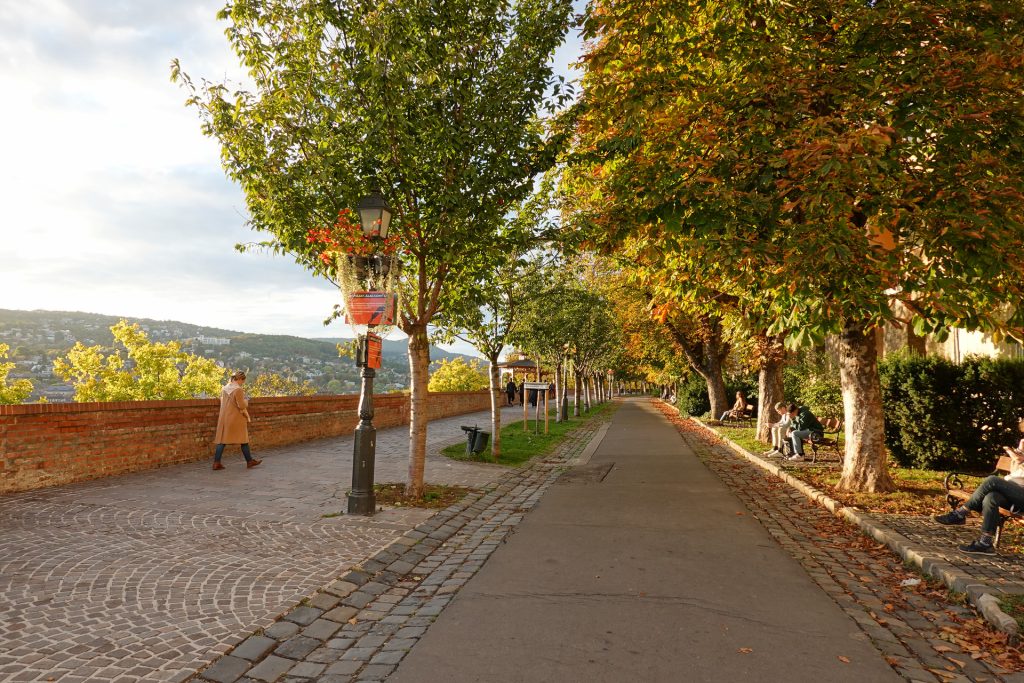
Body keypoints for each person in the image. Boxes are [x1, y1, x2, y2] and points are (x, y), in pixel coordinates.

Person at [934, 418, 1024, 554]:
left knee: (992, 480)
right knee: (991, 497)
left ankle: (960, 513)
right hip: (1013, 490)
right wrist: (1018, 454)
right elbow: (1015, 471)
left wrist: (1019, 458)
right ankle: (985, 543)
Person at [212, 371, 261, 470]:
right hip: (235, 418)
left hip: (224, 418)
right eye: (243, 381)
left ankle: (216, 463)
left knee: (221, 441)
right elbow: (241, 405)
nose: (243, 383)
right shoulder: (238, 390)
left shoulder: (224, 388)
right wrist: (246, 401)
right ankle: (249, 461)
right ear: (239, 379)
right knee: (244, 440)